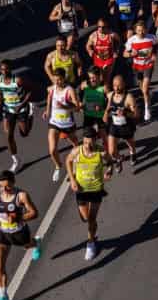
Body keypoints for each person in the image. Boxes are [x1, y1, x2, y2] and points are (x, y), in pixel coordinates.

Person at [0, 170, 41, 300]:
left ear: (13, 183)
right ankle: (3, 295)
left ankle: (36, 243)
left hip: (19, 232)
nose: (4, 190)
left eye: (8, 187)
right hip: (3, 234)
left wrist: (19, 218)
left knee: (27, 245)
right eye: (2, 187)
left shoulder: (21, 195)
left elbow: (34, 212)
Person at [66, 127, 113, 261]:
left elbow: (110, 163)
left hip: (96, 189)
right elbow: (68, 161)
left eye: (90, 143)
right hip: (81, 190)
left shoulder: (102, 152)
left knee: (91, 220)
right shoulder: (77, 151)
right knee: (86, 219)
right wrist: (72, 179)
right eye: (86, 142)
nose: (88, 146)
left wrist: (109, 171)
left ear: (95, 141)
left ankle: (91, 243)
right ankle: (92, 230)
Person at [0, 60, 33, 172]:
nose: (4, 71)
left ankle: (30, 115)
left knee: (24, 133)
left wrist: (21, 105)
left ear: (10, 69)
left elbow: (30, 90)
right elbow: (0, 93)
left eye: (6, 69)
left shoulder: (18, 80)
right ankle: (16, 161)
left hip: (21, 109)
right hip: (8, 110)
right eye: (2, 69)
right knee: (8, 136)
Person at [45, 67, 82, 180]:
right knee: (52, 150)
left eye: (60, 79)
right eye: (55, 79)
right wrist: (47, 111)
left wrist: (65, 106)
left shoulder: (69, 90)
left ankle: (77, 163)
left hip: (67, 124)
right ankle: (58, 166)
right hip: (54, 123)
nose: (57, 82)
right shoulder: (52, 88)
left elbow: (77, 108)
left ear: (64, 78)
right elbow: (49, 98)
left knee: (75, 144)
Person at [123, 21, 158, 122]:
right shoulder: (132, 40)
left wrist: (154, 54)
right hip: (137, 67)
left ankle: (147, 109)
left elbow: (156, 45)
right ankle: (147, 97)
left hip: (148, 65)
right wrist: (131, 54)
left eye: (143, 30)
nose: (141, 32)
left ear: (146, 30)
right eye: (138, 30)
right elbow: (124, 53)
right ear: (135, 31)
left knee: (145, 89)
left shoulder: (151, 37)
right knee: (142, 88)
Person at [104, 74, 138, 170]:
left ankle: (133, 153)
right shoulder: (110, 95)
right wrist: (106, 113)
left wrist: (125, 113)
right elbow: (107, 108)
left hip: (126, 126)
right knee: (111, 151)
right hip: (114, 127)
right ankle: (119, 158)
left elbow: (136, 114)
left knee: (131, 145)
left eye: (119, 85)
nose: (116, 88)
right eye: (114, 85)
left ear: (124, 84)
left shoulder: (129, 98)